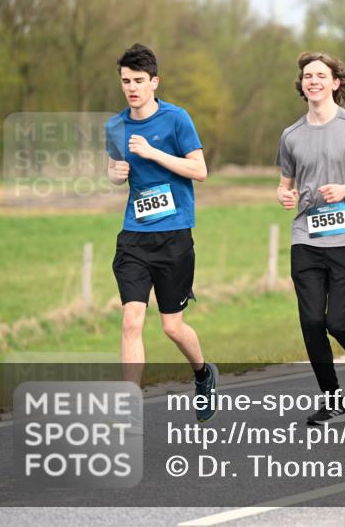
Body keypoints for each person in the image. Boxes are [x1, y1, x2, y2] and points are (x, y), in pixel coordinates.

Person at [276, 52, 345, 425]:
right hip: (305, 237)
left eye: (321, 75)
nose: (313, 81)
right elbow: (285, 185)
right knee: (311, 321)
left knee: (339, 323)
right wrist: (284, 196)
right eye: (307, 76)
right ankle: (332, 399)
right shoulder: (291, 136)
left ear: (336, 83)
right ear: (301, 84)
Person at [105, 43, 217, 423]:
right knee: (132, 320)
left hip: (174, 236)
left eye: (138, 80)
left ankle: (203, 373)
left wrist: (153, 153)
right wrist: (115, 174)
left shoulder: (176, 119)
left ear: (154, 82)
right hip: (134, 236)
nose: (132, 88)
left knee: (172, 326)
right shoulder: (116, 126)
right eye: (125, 81)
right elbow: (113, 168)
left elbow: (199, 171)